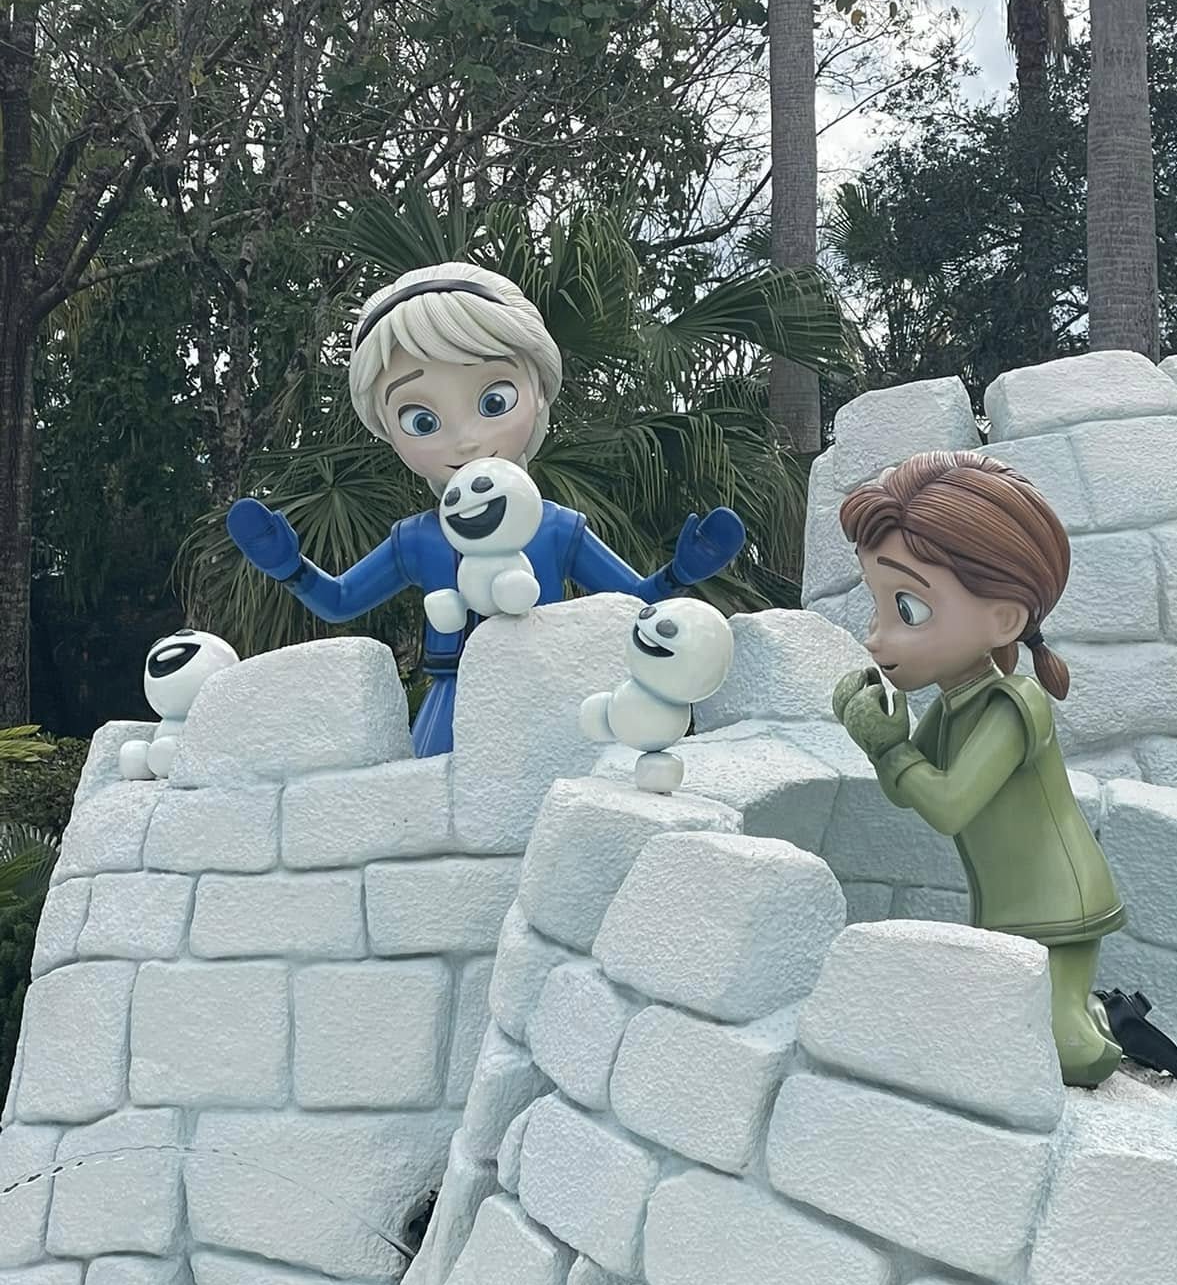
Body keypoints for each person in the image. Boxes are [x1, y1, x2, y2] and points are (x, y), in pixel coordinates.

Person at [225, 261, 746, 755]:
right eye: (421, 420)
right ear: (387, 430)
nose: (466, 439)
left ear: (538, 392)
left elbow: (631, 602)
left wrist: (679, 574)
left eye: (494, 401)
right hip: (452, 701)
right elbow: (340, 601)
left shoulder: (556, 528)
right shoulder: (418, 539)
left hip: (549, 690)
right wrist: (290, 567)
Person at [833, 448, 1126, 1088]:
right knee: (995, 1031)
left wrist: (890, 748)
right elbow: (907, 791)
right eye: (878, 609)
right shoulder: (953, 704)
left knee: (1067, 1052)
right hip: (1004, 908)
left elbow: (948, 804)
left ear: (1003, 620)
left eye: (908, 610)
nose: (877, 637)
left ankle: (1108, 1022)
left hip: (1059, 907)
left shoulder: (1013, 704)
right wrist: (877, 738)